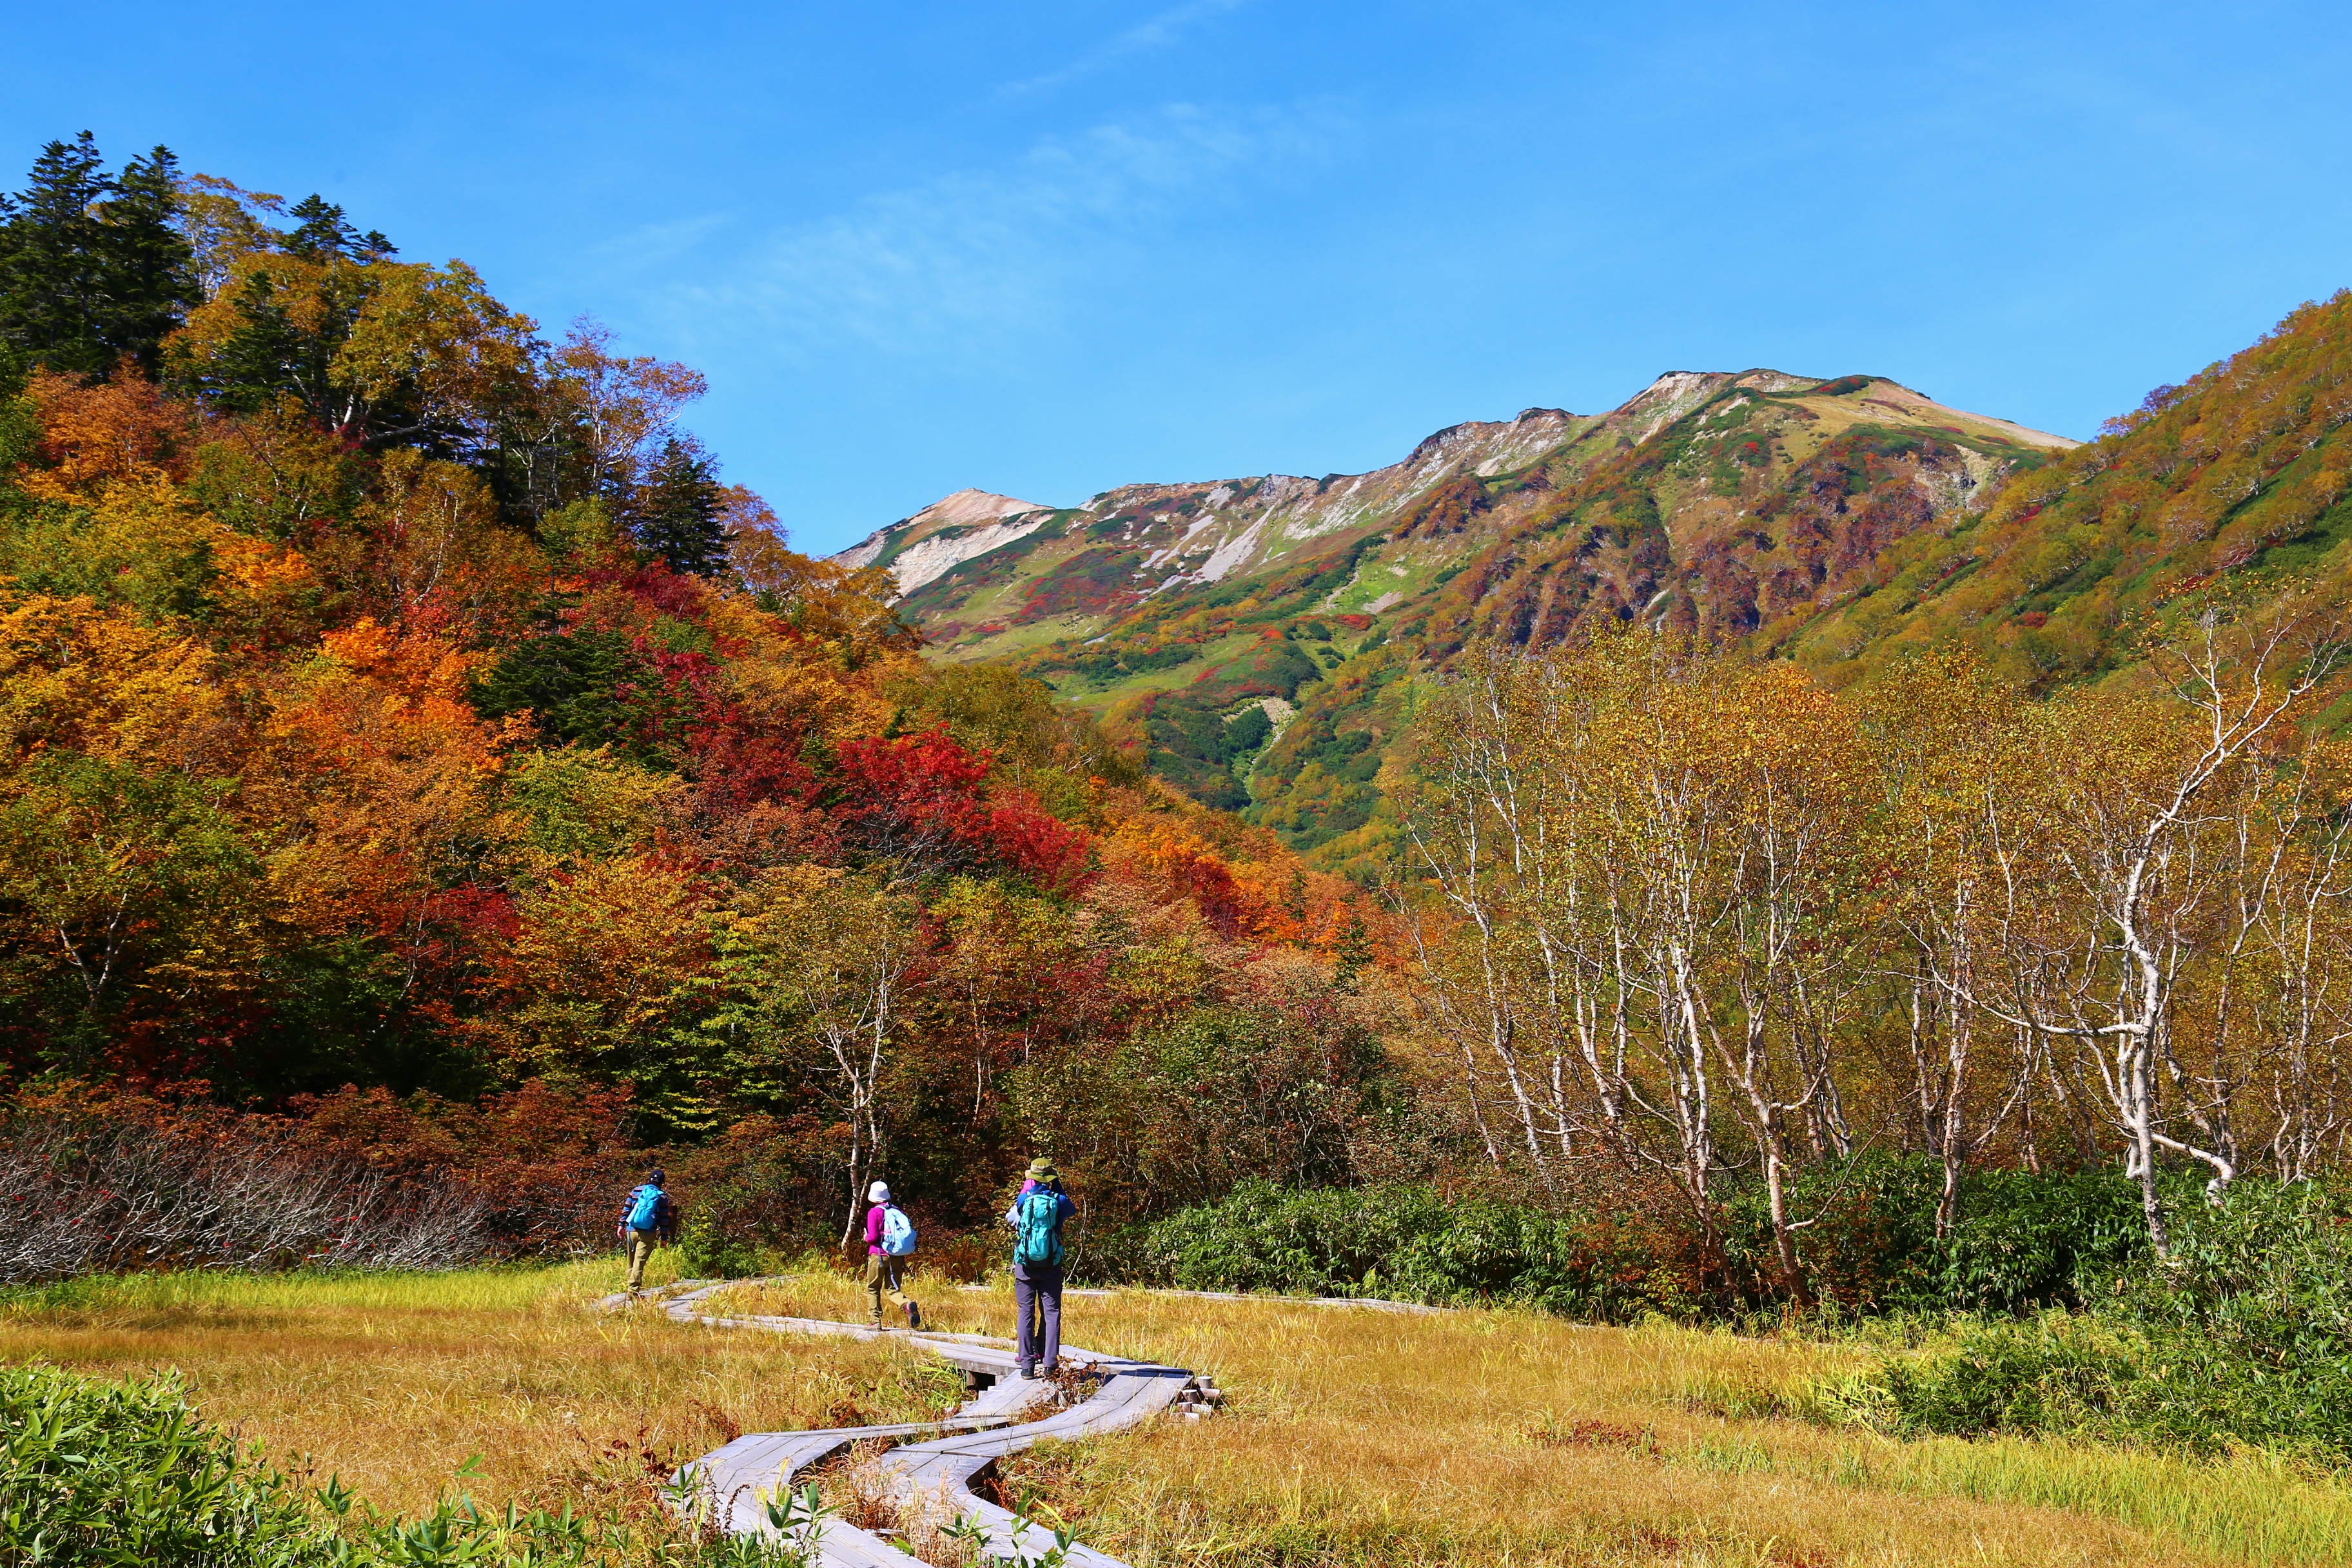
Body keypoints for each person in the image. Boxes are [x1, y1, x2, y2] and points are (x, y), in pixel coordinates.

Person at [1004, 1157, 1075, 1380]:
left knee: (1026, 1312)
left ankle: (1027, 1366)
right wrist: (1059, 1186)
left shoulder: (1023, 1200)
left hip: (1025, 1265)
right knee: (1052, 1313)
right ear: (1052, 1178)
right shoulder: (1059, 1201)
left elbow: (1013, 1217)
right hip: (1051, 1264)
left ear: (1032, 1178)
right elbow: (1070, 1209)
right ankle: (1050, 1364)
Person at [862, 1180, 922, 1330]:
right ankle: (906, 1304)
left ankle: (875, 1321)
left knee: (873, 1288)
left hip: (878, 1255)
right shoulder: (897, 1210)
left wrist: (866, 1237)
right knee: (893, 1288)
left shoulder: (874, 1212)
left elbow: (873, 1237)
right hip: (896, 1255)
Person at [615, 1167, 679, 1298]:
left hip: (631, 1230)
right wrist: (664, 1237)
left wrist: (621, 1225)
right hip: (648, 1233)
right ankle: (632, 1292)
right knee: (639, 1262)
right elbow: (664, 1218)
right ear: (662, 1182)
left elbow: (626, 1209)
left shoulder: (637, 1190)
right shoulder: (662, 1196)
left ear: (649, 1179)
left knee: (631, 1262)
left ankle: (629, 1289)